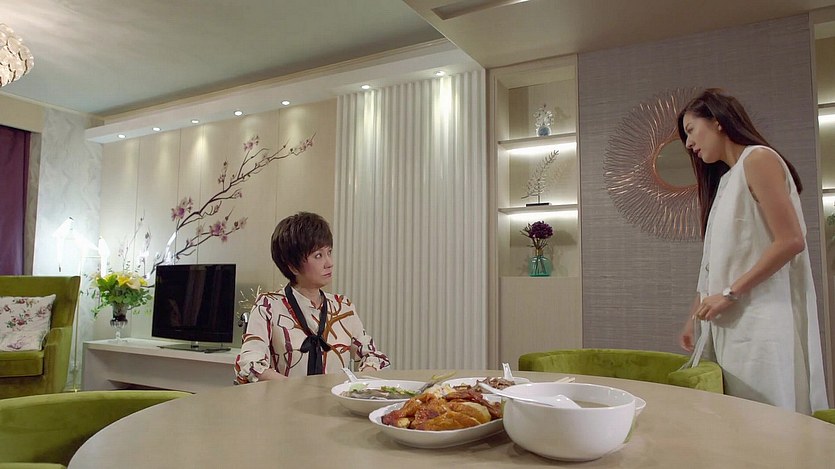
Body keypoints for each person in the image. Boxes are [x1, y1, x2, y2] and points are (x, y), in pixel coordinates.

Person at [676, 88, 827, 414]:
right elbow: (713, 263)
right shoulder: (726, 181)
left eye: (690, 130)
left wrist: (729, 294)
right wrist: (694, 316)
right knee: (735, 419)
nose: (688, 143)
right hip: (730, 322)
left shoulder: (758, 159)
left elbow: (791, 240)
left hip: (761, 321)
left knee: (764, 418)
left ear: (717, 121)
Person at [235, 212, 389, 381]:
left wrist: (357, 384)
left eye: (329, 252)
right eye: (318, 256)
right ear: (293, 266)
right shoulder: (268, 306)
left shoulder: (342, 306)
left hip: (336, 397)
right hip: (285, 397)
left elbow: (372, 356)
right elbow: (250, 364)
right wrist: (295, 389)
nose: (329, 263)